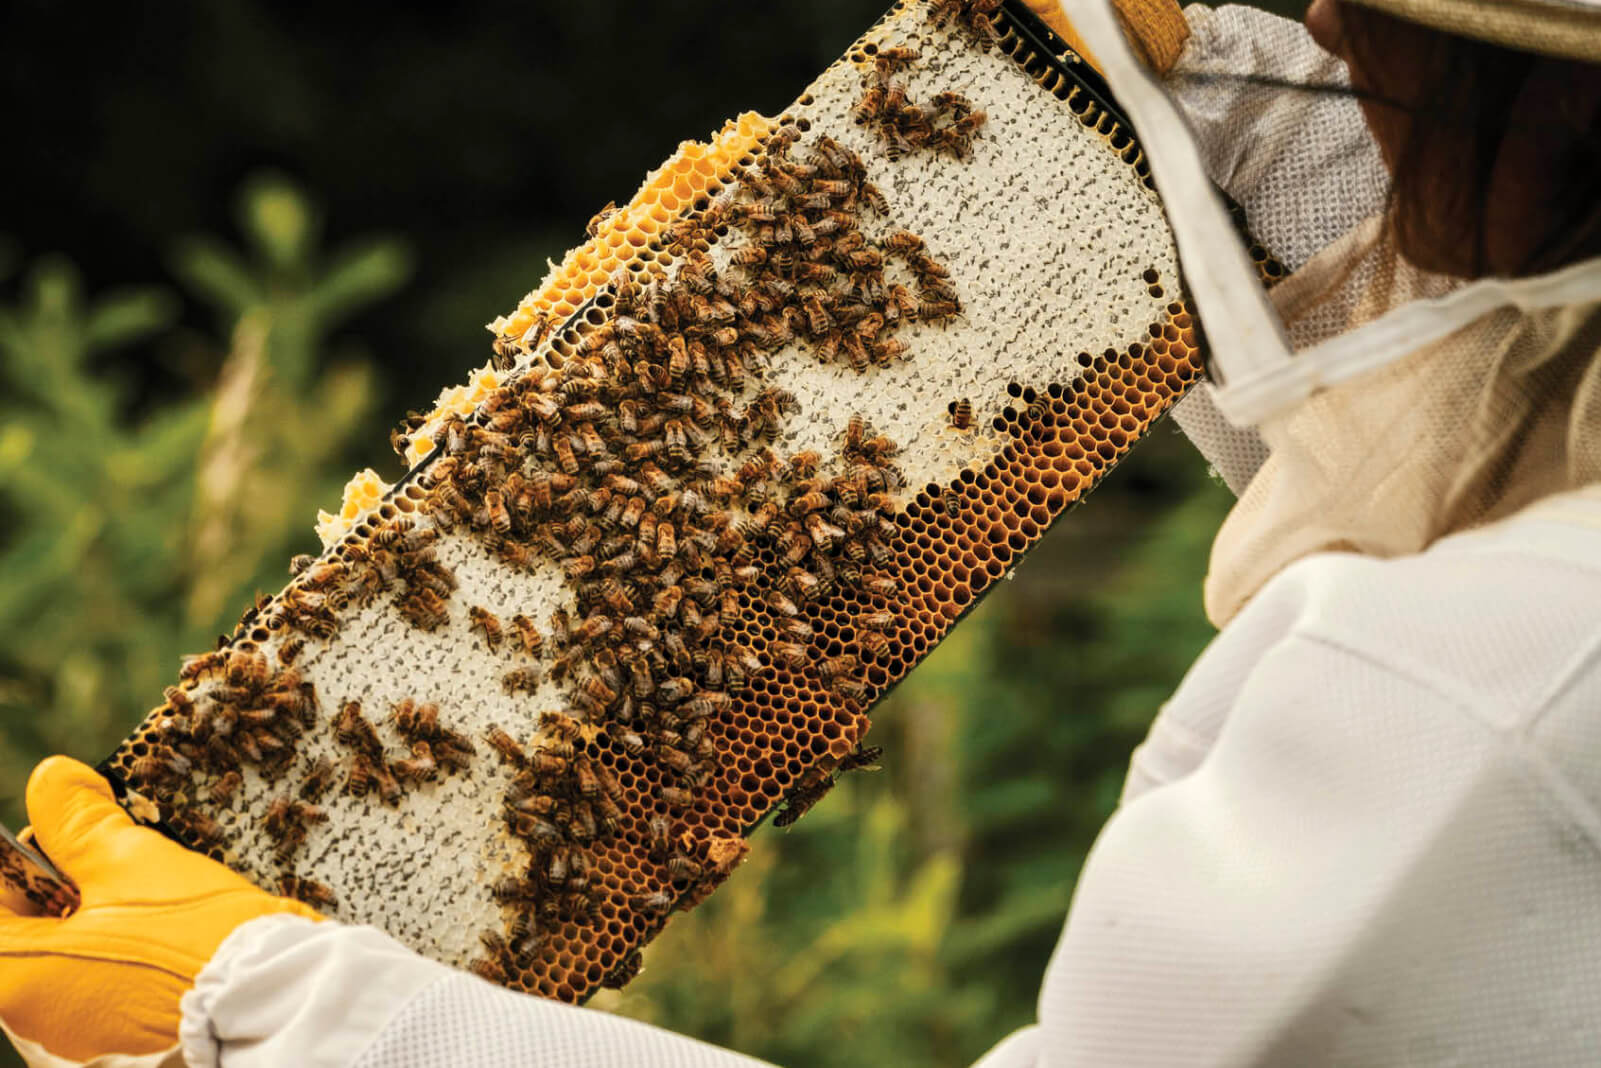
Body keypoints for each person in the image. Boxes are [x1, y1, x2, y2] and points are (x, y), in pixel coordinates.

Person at [4, 0, 1601, 1063]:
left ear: (1534, 115)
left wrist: (273, 1005)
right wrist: (1293, 157)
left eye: (1382, 45)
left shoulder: (1470, 696)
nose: (1318, 27)